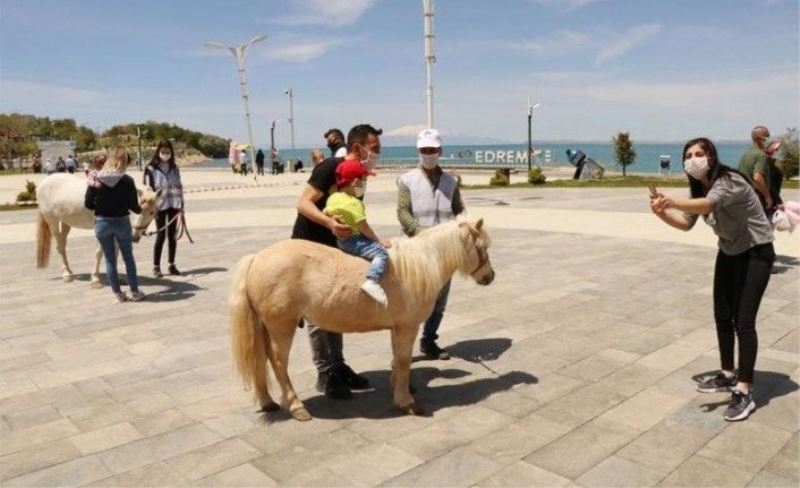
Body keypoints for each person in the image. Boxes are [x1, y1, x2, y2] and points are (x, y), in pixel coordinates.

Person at [650, 137, 774, 422]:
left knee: (744, 321)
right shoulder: (699, 185)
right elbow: (685, 223)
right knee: (722, 315)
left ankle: (744, 391)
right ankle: (728, 374)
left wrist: (670, 199)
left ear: (711, 156)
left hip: (757, 252)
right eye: (688, 155)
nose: (693, 159)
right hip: (730, 251)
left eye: (699, 154)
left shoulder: (727, 180)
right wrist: (662, 213)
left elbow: (708, 204)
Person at [291, 123, 382, 399]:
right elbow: (304, 203)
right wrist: (329, 222)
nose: (377, 154)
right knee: (317, 314)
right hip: (309, 247)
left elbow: (353, 214)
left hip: (335, 250)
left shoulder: (359, 176)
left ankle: (339, 366)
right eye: (374, 149)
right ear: (358, 148)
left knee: (335, 310)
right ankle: (325, 373)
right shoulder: (329, 167)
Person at [397, 128, 465, 360]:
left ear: (440, 151)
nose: (429, 154)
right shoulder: (407, 180)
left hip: (444, 253)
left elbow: (459, 210)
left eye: (433, 150)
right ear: (418, 151)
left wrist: (464, 226)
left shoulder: (450, 181)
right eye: (425, 150)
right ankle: (405, 344)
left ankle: (429, 340)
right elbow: (402, 211)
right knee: (413, 301)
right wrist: (419, 233)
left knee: (439, 302)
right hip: (416, 251)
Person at [324, 159, 390, 305]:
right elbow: (364, 228)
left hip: (340, 240)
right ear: (354, 182)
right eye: (363, 180)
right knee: (382, 254)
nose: (364, 184)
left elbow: (326, 213)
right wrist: (379, 241)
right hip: (353, 240)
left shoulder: (333, 198)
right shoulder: (355, 203)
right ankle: (372, 281)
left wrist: (333, 217)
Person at [84, 146, 145, 303]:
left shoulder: (96, 179)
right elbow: (134, 207)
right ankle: (135, 292)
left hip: (102, 223)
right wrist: (141, 207)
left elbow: (88, 205)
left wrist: (101, 203)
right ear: (124, 161)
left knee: (110, 260)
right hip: (121, 223)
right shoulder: (127, 180)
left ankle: (118, 294)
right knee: (128, 258)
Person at [143, 140, 184, 278]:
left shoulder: (175, 168)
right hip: (159, 206)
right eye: (163, 151)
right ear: (158, 151)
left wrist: (181, 205)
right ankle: (156, 267)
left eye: (168, 152)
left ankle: (172, 264)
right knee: (161, 236)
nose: (165, 154)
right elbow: (147, 189)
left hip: (174, 205)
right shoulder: (150, 169)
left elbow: (179, 186)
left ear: (171, 152)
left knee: (172, 236)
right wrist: (151, 207)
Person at [738, 125, 774, 213]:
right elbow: (757, 178)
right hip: (757, 197)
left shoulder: (745, 154)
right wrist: (767, 196)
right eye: (767, 136)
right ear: (758, 139)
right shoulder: (761, 156)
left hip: (744, 197)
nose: (769, 139)